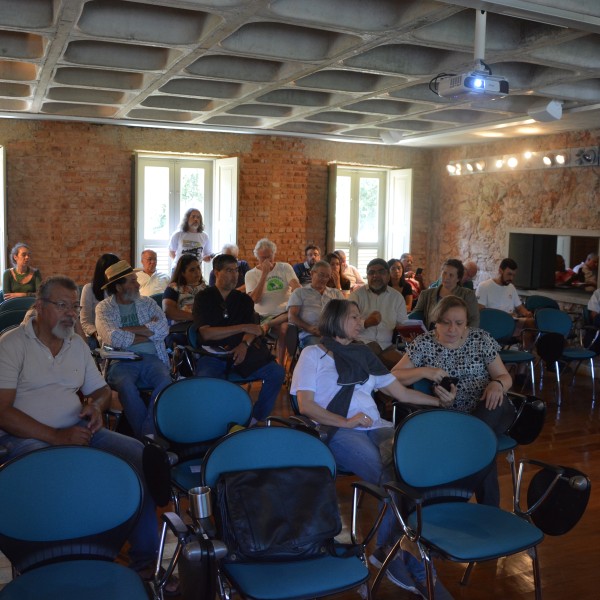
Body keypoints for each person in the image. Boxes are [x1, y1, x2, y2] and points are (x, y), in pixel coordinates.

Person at [0, 275, 172, 588]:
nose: (69, 314)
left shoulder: (75, 344)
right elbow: (3, 412)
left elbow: (102, 390)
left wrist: (95, 407)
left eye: (72, 307)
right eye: (61, 305)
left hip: (78, 429)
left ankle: (146, 561)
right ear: (39, 307)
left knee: (140, 457)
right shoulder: (11, 344)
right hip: (24, 438)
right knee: (56, 475)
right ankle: (49, 568)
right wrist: (55, 437)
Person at [290, 299, 453, 596]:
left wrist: (439, 403)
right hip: (336, 428)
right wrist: (347, 421)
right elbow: (306, 406)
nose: (360, 322)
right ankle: (398, 557)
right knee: (389, 479)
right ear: (336, 320)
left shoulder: (363, 353)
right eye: (353, 317)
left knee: (414, 470)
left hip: (375, 426)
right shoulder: (313, 354)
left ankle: (385, 550)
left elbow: (400, 391)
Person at [392, 295, 514, 507]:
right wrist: (425, 371)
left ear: (466, 323)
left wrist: (498, 384)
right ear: (436, 322)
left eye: (459, 323)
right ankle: (489, 510)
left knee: (487, 420)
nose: (452, 329)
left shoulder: (480, 339)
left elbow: (505, 377)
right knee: (482, 443)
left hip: (488, 410)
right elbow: (394, 375)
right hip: (449, 417)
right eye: (446, 322)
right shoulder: (425, 343)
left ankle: (458, 492)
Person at [193, 253, 285, 424]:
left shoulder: (243, 300)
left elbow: (254, 330)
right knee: (206, 381)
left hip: (242, 351)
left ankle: (256, 417)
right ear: (216, 273)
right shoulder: (204, 297)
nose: (235, 275)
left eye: (236, 270)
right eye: (229, 270)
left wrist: (244, 343)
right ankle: (217, 421)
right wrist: (241, 328)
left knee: (276, 372)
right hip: (213, 354)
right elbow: (206, 333)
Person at [95, 261, 172, 440]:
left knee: (165, 383)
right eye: (132, 281)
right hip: (120, 360)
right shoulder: (104, 308)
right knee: (126, 388)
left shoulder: (148, 303)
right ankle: (150, 437)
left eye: (136, 279)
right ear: (118, 286)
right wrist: (147, 330)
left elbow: (163, 329)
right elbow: (111, 337)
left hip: (152, 357)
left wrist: (126, 330)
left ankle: (145, 434)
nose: (138, 284)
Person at [245, 238, 300, 364]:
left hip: (286, 312)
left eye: (269, 257)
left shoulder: (284, 267)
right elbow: (255, 299)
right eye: (262, 258)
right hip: (264, 316)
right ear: (257, 257)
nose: (266, 261)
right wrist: (264, 274)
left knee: (287, 324)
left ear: (274, 255)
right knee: (284, 329)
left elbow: (296, 287)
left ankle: (284, 364)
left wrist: (299, 291)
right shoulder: (251, 274)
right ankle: (281, 366)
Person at [348, 258, 408, 368]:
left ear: (388, 276)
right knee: (372, 350)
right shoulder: (357, 296)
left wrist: (409, 335)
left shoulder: (397, 297)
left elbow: (403, 324)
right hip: (360, 343)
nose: (376, 276)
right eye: (371, 273)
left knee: (406, 366)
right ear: (367, 276)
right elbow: (346, 324)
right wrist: (366, 323)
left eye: (381, 272)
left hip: (386, 347)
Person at [287, 260, 344, 348]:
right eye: (321, 275)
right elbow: (292, 317)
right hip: (310, 334)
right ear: (312, 273)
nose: (324, 279)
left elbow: (345, 313)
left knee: (350, 349)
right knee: (321, 350)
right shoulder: (300, 292)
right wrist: (309, 328)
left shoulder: (335, 293)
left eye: (327, 276)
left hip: (334, 334)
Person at [476, 258, 535, 341]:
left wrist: (526, 313)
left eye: (513, 275)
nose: (511, 278)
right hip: (493, 323)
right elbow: (481, 311)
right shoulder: (484, 286)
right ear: (500, 271)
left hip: (510, 321)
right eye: (509, 274)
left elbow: (519, 307)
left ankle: (527, 350)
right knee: (523, 331)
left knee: (531, 323)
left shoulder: (511, 287)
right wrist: (505, 316)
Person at [413, 259, 480, 329]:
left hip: (457, 336)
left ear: (458, 279)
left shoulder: (468, 295)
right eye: (444, 273)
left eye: (451, 275)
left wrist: (464, 336)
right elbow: (415, 315)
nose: (446, 277)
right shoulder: (426, 294)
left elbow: (474, 320)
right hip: (431, 335)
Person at [163, 254, 206, 347]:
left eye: (198, 268)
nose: (197, 272)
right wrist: (195, 317)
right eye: (192, 270)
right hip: (182, 328)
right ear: (182, 272)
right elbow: (168, 311)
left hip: (204, 327)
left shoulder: (205, 288)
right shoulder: (174, 288)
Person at [80, 253, 121, 347]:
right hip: (95, 334)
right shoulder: (89, 289)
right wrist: (99, 334)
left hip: (118, 333)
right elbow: (85, 322)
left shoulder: (120, 288)